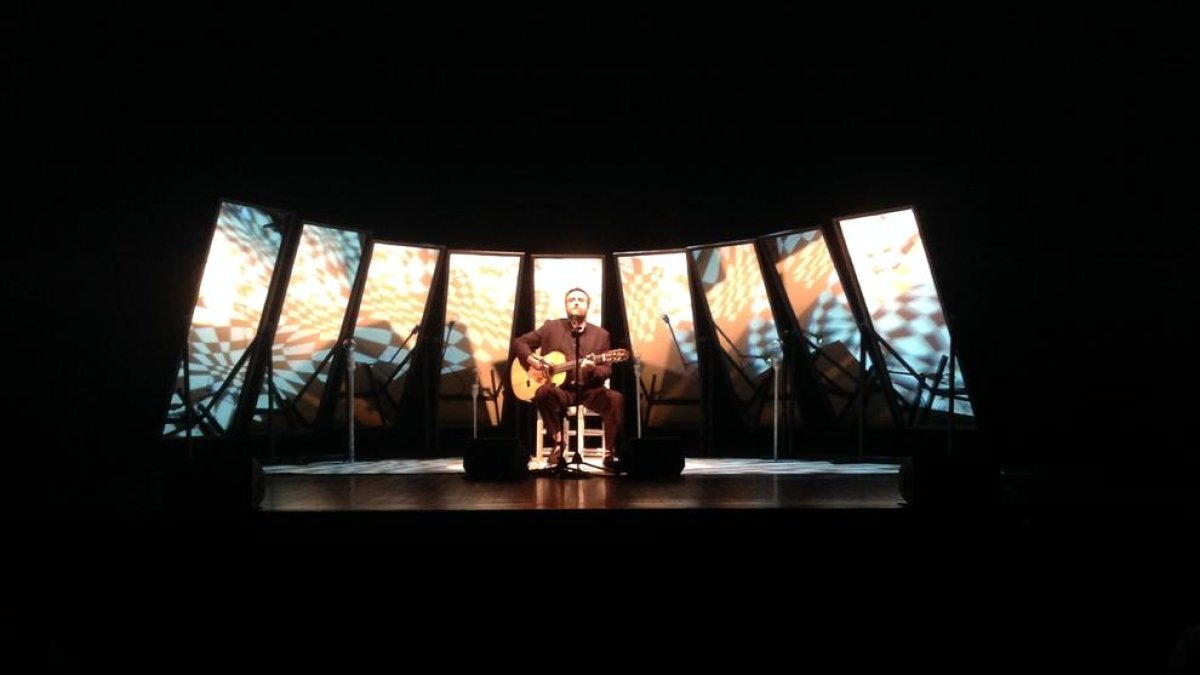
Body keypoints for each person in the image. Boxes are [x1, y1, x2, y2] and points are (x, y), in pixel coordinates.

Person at [513, 288, 624, 470]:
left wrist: (593, 369)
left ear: (588, 306)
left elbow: (607, 370)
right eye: (571, 299)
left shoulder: (601, 335)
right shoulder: (551, 327)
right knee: (542, 391)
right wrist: (532, 359)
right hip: (561, 391)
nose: (576, 302)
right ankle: (558, 442)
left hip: (589, 390)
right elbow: (519, 342)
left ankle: (609, 452)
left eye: (581, 300)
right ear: (566, 305)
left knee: (615, 398)